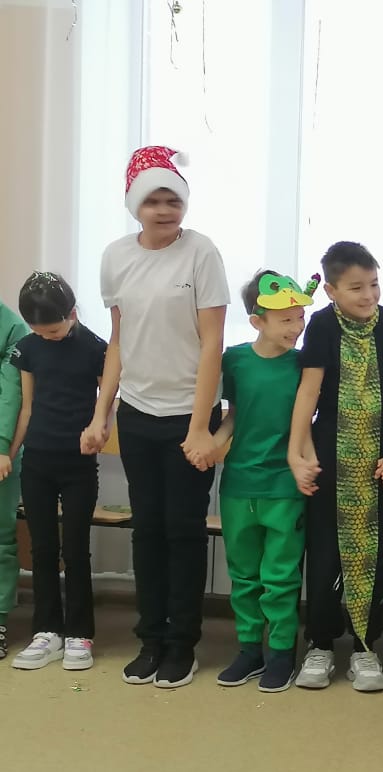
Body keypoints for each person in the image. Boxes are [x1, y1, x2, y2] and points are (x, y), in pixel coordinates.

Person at [88, 145, 229, 688]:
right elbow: (118, 341)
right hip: (138, 414)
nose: (165, 210)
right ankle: (150, 638)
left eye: (173, 199)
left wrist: (200, 428)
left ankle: (181, 645)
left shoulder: (201, 252)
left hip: (188, 416)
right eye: (153, 200)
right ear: (135, 205)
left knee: (183, 531)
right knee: (146, 529)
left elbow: (213, 342)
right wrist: (102, 414)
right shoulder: (116, 256)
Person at [289, 241, 383, 693]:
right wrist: (297, 452)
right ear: (331, 290)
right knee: (325, 552)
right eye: (357, 287)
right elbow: (308, 391)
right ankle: (320, 644)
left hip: (381, 453)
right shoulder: (323, 325)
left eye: (374, 284)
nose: (369, 295)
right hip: (331, 451)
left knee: (378, 552)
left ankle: (366, 647)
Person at [209, 271, 316, 693]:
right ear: (258, 321)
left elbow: (305, 421)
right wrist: (213, 443)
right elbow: (234, 415)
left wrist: (307, 460)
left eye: (299, 318)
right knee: (243, 574)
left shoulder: (303, 365)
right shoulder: (235, 360)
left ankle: (282, 653)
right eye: (286, 320)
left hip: (284, 486)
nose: (296, 327)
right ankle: (250, 650)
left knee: (281, 575)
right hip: (239, 484)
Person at [8, 273, 107, 670]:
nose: (46, 337)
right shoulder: (28, 348)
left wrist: (100, 428)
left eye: (52, 330)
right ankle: (46, 631)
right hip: (37, 463)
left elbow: (107, 401)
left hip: (78, 464)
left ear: (72, 314)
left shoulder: (95, 347)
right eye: (38, 331)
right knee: (43, 548)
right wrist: (9, 452)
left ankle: (80, 633)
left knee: (76, 549)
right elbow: (27, 407)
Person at [0, 296, 26, 660]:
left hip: (2, 450)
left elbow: (12, 392)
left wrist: (2, 445)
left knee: (1, 537)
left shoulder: (11, 327)